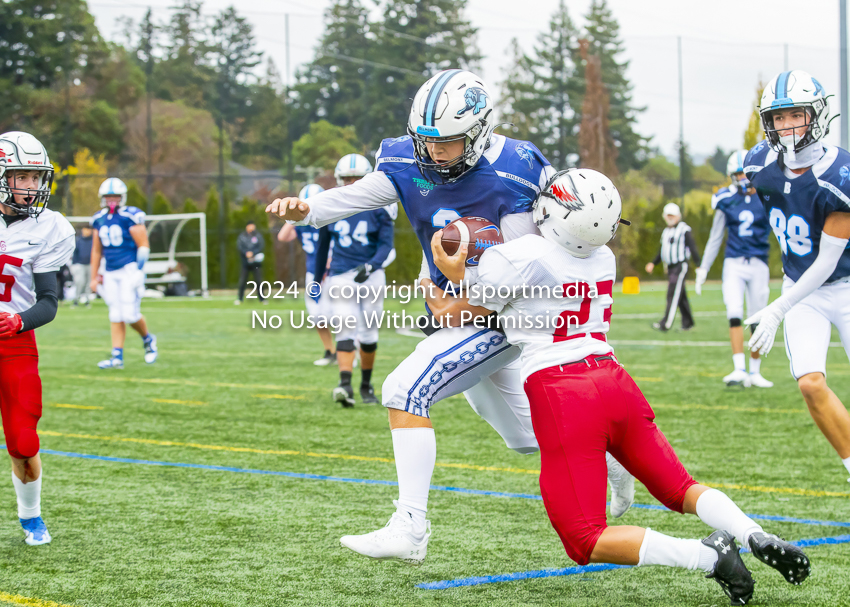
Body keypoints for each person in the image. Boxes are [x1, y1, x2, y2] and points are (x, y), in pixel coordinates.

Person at [267, 69, 634, 562]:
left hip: (500, 317)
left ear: (480, 132)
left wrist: (455, 298)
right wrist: (306, 210)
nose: (435, 153)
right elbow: (360, 195)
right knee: (523, 437)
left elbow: (524, 277)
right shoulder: (406, 158)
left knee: (404, 388)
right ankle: (610, 452)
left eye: (448, 143)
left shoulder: (514, 171)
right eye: (427, 141)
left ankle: (410, 527)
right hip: (458, 308)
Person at [445, 169, 810, 606]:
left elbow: (463, 310)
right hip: (615, 380)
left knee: (584, 539)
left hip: (562, 391)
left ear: (554, 211)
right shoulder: (603, 258)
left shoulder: (516, 256)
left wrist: (452, 271)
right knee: (681, 488)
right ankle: (752, 531)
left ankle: (708, 557)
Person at [744, 70, 850, 482]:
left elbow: (826, 262)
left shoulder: (839, 174)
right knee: (809, 383)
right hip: (801, 290)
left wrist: (775, 310)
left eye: (796, 116)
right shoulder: (759, 165)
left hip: (843, 284)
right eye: (779, 118)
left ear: (816, 115)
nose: (787, 126)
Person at [0, 131, 77, 545]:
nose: (31, 186)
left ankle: (31, 516)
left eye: (35, 177)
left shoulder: (49, 228)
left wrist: (19, 321)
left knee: (23, 441)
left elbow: (48, 301)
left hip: (13, 342)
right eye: (21, 176)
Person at [312, 154, 396, 406]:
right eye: (346, 179)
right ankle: (345, 384)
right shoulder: (331, 205)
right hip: (340, 273)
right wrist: (317, 280)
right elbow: (322, 247)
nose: (351, 183)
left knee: (369, 332)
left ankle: (366, 385)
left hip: (370, 275)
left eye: (356, 178)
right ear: (339, 180)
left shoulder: (381, 205)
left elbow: (386, 246)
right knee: (345, 327)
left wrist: (371, 266)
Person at [694, 151, 773, 388]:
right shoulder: (725, 199)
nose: (742, 177)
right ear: (731, 175)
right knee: (735, 312)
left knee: (758, 317)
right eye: (738, 173)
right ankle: (739, 368)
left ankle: (755, 371)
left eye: (745, 172)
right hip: (734, 263)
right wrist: (704, 267)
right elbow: (715, 237)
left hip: (759, 262)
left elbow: (782, 229)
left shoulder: (767, 196)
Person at [90, 178, 158, 369]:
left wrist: (139, 270)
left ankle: (148, 339)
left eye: (116, 196)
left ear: (122, 197)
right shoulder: (98, 219)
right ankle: (117, 357)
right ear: (103, 198)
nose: (112, 200)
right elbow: (96, 250)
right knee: (115, 314)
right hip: (110, 271)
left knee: (129, 314)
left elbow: (143, 246)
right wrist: (94, 277)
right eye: (109, 197)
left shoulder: (132, 216)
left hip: (129, 269)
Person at [278, 184, 337, 367]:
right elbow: (283, 236)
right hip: (314, 273)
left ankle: (348, 351)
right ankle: (330, 351)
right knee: (317, 315)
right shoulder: (301, 225)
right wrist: (292, 216)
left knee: (343, 315)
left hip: (334, 273)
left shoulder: (332, 220)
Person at [645, 203, 700, 331]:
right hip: (670, 267)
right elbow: (662, 250)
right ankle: (688, 323)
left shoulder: (684, 229)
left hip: (680, 266)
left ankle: (666, 323)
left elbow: (692, 247)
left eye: (672, 215)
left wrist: (698, 265)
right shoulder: (666, 231)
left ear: (678, 216)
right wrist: (653, 262)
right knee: (680, 295)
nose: (670, 218)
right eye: (668, 215)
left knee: (672, 293)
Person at [235, 221, 266, 305]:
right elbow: (239, 247)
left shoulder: (258, 236)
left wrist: (253, 253)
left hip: (256, 264)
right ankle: (240, 298)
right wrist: (246, 253)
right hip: (245, 263)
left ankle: (262, 299)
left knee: (259, 281)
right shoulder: (242, 237)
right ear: (247, 227)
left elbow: (261, 246)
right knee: (242, 281)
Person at [71, 225, 94, 306]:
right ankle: (76, 299)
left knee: (88, 283)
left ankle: (87, 300)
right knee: (80, 282)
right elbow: (75, 253)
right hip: (80, 264)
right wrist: (74, 264)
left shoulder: (93, 241)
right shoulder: (78, 240)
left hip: (90, 264)